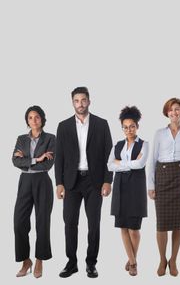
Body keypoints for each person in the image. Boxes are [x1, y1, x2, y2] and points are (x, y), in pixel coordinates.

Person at [55, 86, 113, 278]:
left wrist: (107, 181)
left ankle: (91, 263)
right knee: (70, 223)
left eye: (83, 100)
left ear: (89, 101)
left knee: (93, 224)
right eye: (76, 101)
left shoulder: (101, 124)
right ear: (73, 103)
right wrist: (59, 183)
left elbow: (109, 155)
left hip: (94, 182)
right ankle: (71, 263)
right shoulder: (63, 126)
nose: (80, 104)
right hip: (71, 182)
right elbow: (60, 158)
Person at [148, 97, 180, 277]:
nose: (174, 112)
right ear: (167, 113)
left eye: (177, 109)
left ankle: (174, 260)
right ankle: (162, 259)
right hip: (162, 177)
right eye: (171, 110)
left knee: (179, 224)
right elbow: (152, 160)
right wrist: (150, 184)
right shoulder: (159, 133)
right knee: (161, 225)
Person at [12, 105, 55, 278]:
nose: (34, 120)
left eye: (37, 117)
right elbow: (15, 161)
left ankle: (39, 260)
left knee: (42, 222)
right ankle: (25, 261)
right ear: (27, 121)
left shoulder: (51, 138)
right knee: (19, 223)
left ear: (42, 119)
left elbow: (48, 164)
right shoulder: (21, 139)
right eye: (30, 118)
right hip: (25, 181)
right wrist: (38, 157)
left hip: (42, 181)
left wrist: (26, 159)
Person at [107, 106, 148, 276]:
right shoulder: (117, 144)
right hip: (120, 188)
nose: (129, 130)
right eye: (125, 127)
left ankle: (132, 260)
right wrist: (128, 164)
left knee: (134, 228)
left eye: (132, 126)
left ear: (137, 126)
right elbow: (109, 165)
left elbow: (141, 164)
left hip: (136, 189)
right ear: (122, 128)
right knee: (123, 227)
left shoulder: (144, 144)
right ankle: (133, 262)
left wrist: (120, 164)